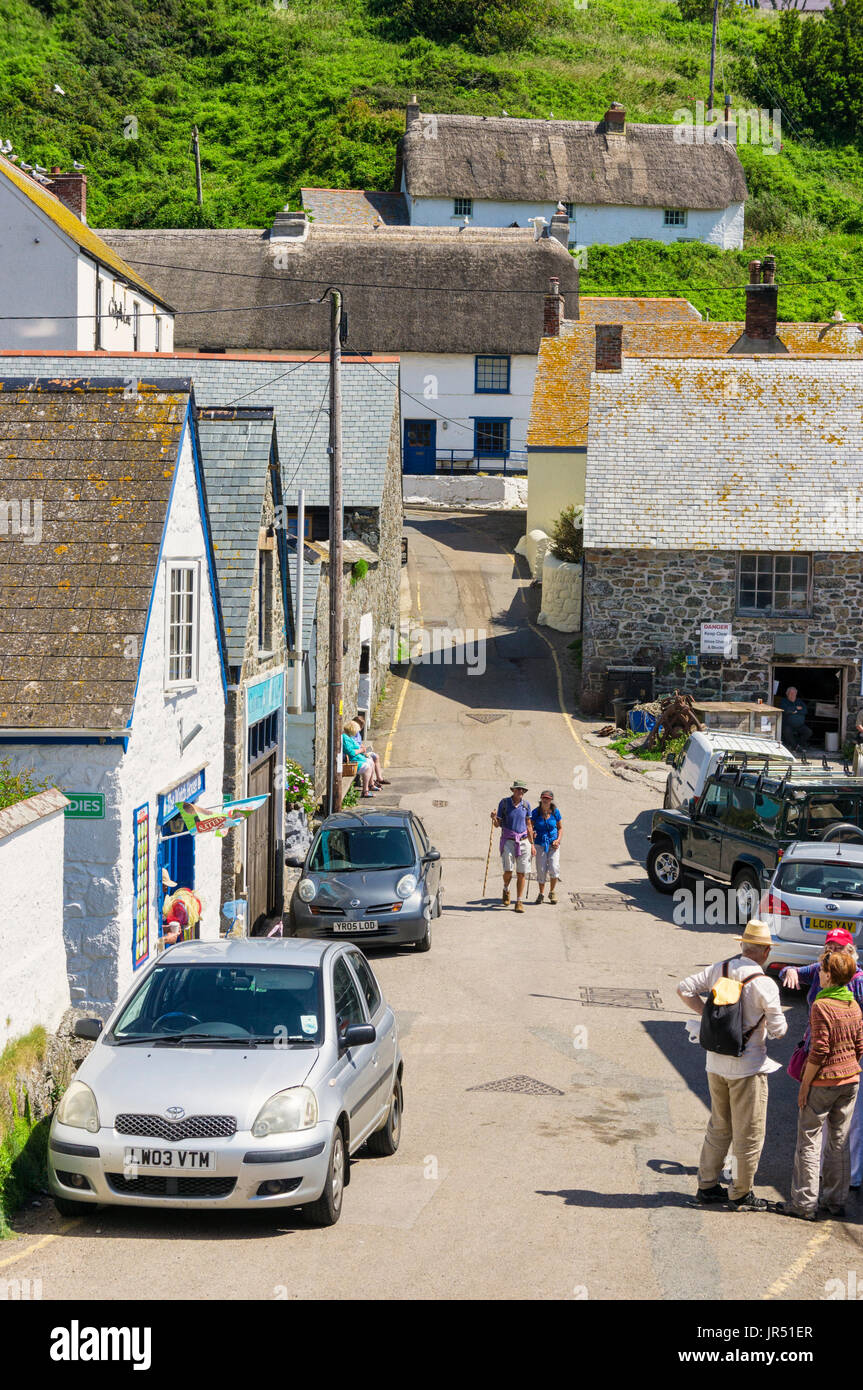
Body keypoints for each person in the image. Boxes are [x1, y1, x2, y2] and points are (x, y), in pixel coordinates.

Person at [678, 919, 788, 1210]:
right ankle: (740, 1192)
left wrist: (707, 1017)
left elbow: (684, 988)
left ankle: (707, 1185)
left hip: (714, 1062)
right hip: (747, 1068)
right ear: (765, 952)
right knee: (749, 1134)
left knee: (719, 1126)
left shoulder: (721, 969)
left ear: (743, 946)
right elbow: (780, 1030)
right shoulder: (764, 984)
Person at [778, 947, 863, 1221]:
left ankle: (804, 1203)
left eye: (823, 971)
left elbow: (819, 1050)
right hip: (850, 1081)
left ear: (829, 976)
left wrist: (805, 1085)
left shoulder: (822, 1005)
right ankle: (835, 1201)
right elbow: (859, 1047)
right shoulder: (853, 1004)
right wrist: (849, 1066)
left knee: (810, 1139)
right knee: (838, 1141)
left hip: (824, 1080)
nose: (820, 975)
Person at [491, 779, 535, 914]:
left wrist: (532, 844)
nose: (520, 792)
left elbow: (529, 825)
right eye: (518, 789)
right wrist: (494, 818)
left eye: (523, 790)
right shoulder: (504, 803)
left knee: (521, 873)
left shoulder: (526, 805)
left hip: (523, 841)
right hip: (508, 840)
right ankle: (506, 888)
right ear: (513, 790)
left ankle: (519, 901)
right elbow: (498, 825)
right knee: (508, 871)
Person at [530, 791, 562, 904]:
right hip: (539, 843)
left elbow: (560, 828)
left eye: (548, 798)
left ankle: (552, 892)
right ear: (541, 798)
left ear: (551, 800)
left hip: (553, 844)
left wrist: (558, 840)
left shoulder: (555, 812)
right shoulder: (535, 812)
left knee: (554, 867)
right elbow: (529, 826)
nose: (545, 800)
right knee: (541, 869)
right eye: (544, 798)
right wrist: (532, 833)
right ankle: (541, 893)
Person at [354, 713, 390, 789]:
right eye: (360, 726)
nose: (361, 728)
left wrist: (363, 748)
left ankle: (379, 778)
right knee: (370, 760)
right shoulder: (352, 734)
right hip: (358, 754)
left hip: (361, 752)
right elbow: (354, 748)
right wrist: (363, 751)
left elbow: (359, 744)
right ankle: (371, 783)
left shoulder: (357, 733)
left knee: (376, 756)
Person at [342, 721, 374, 798]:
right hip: (351, 761)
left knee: (371, 761)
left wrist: (362, 750)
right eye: (356, 730)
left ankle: (370, 785)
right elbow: (351, 752)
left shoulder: (348, 736)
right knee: (367, 767)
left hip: (357, 758)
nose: (357, 732)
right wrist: (361, 750)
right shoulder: (345, 738)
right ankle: (365, 791)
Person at [779, 686, 812, 755]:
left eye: (794, 693)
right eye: (791, 693)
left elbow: (805, 711)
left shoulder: (799, 701)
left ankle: (797, 745)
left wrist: (794, 711)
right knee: (786, 731)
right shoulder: (784, 701)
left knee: (808, 732)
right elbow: (785, 710)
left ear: (796, 694)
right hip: (788, 725)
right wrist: (796, 708)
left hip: (800, 725)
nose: (792, 695)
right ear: (787, 694)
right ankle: (796, 746)